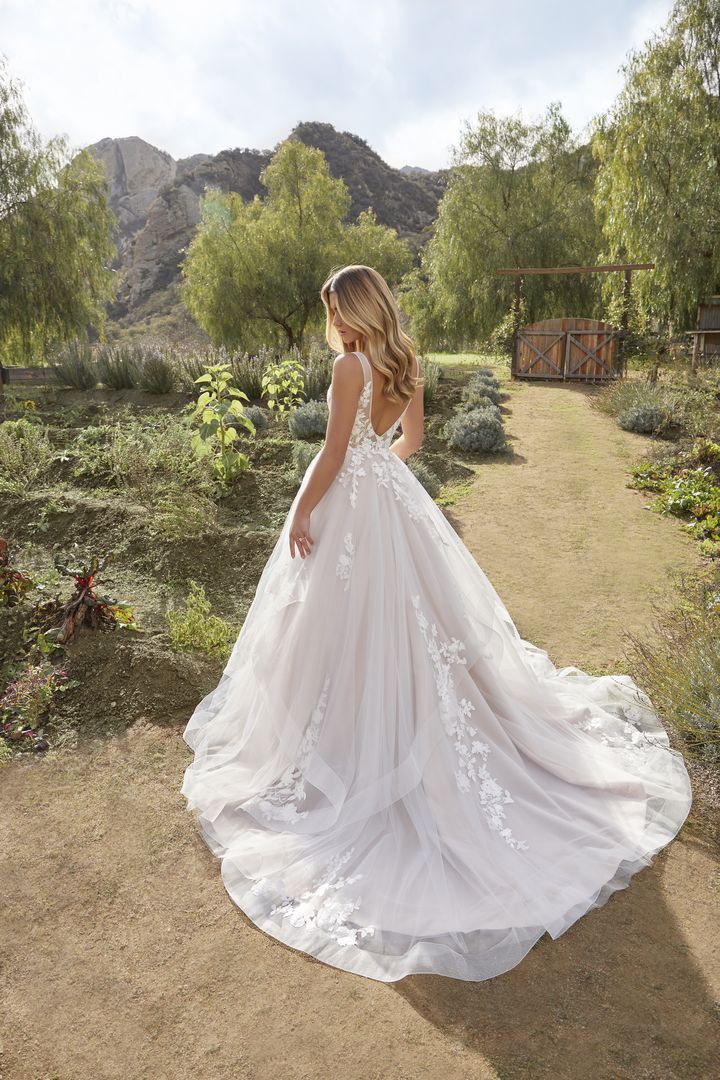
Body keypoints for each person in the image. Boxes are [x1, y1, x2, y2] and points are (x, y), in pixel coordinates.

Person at [180, 263, 693, 983]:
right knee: (411, 626)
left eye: (334, 305)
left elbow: (331, 453)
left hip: (351, 500)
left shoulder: (349, 365)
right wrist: (378, 479)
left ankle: (340, 747)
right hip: (389, 497)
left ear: (352, 309)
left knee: (339, 628)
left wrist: (305, 511)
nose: (332, 316)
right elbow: (410, 443)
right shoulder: (406, 359)